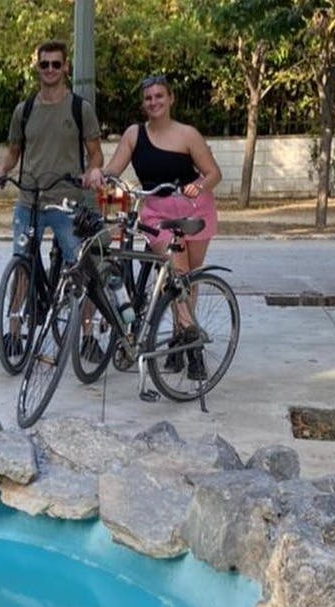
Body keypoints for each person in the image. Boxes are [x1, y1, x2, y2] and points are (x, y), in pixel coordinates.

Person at [86, 74, 222, 379]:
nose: (154, 102)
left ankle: (177, 338)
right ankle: (193, 349)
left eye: (160, 96)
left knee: (187, 282)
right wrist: (99, 174)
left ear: (171, 99)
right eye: (148, 98)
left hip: (193, 210)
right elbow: (114, 169)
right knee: (176, 272)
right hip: (155, 213)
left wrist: (198, 187)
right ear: (143, 103)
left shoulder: (188, 135)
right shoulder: (134, 134)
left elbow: (213, 173)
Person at [0, 39, 103, 359]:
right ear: (37, 67)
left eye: (55, 64)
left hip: (67, 203)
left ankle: (88, 336)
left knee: (81, 267)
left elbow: (95, 154)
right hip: (29, 202)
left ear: (65, 67)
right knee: (21, 265)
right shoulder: (24, 110)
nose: (49, 69)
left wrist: (93, 172)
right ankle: (12, 335)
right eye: (44, 64)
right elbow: (12, 153)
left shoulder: (80, 108)